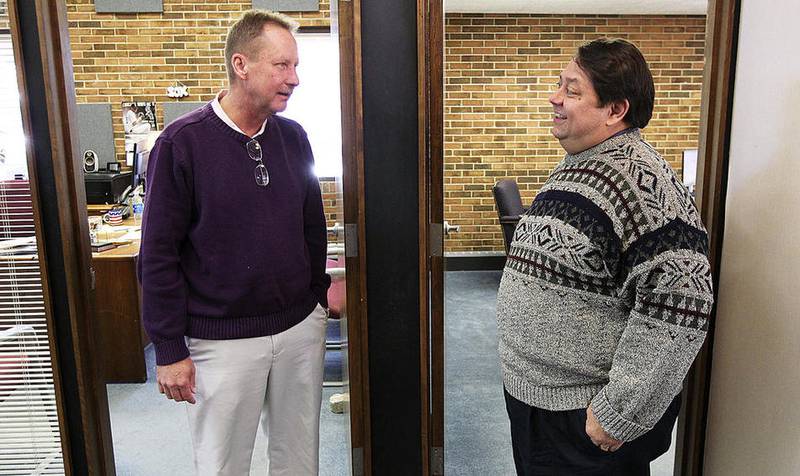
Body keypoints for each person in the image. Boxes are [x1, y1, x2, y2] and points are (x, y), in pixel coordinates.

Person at [495, 38, 713, 475]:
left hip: (584, 422)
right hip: (540, 403)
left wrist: (620, 412)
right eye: (560, 85)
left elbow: (682, 302)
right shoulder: (580, 163)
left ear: (615, 110)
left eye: (572, 91)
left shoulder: (641, 183)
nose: (555, 98)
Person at [137, 10, 330, 475]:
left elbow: (312, 228)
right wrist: (168, 349)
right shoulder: (181, 144)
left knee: (299, 457)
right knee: (223, 464)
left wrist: (316, 299)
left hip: (298, 329)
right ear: (241, 65)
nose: (295, 79)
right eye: (282, 66)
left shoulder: (293, 137)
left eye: (296, 66)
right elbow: (158, 255)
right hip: (220, 340)